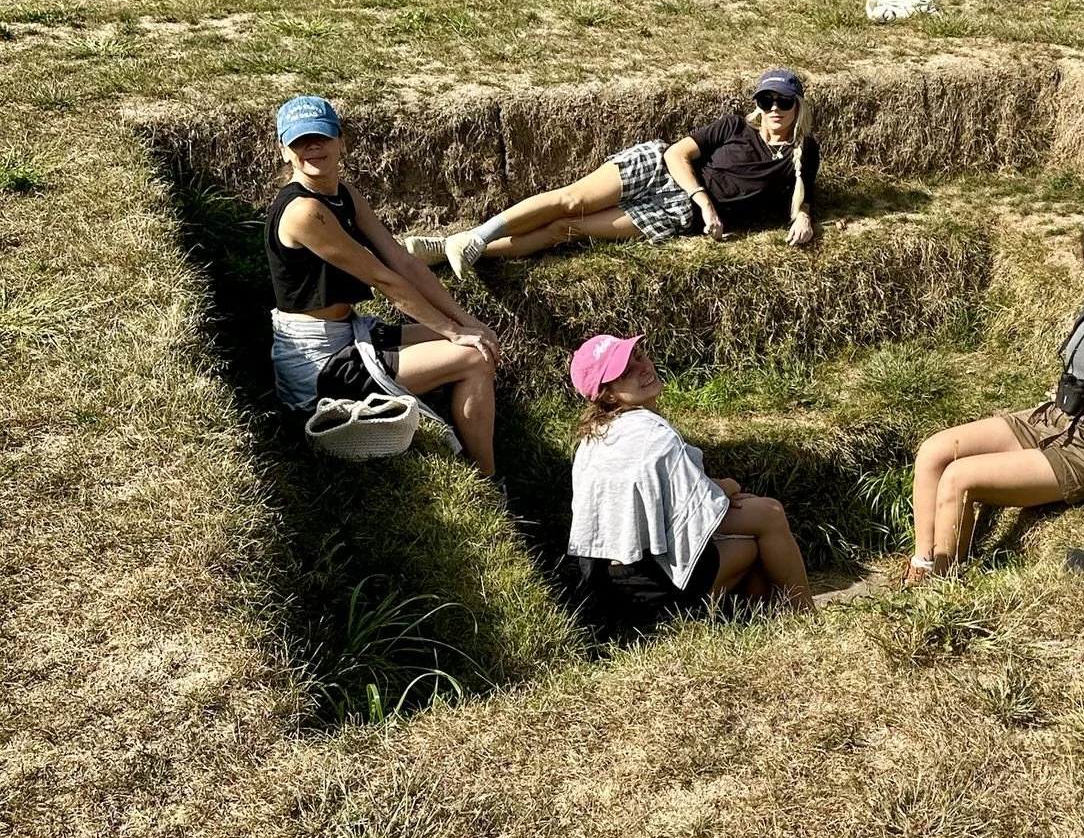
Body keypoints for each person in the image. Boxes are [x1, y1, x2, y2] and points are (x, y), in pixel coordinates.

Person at [907, 198, 1084, 583]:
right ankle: (922, 565)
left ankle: (943, 587)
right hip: (1053, 417)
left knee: (960, 479)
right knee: (934, 452)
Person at [265, 94, 502, 479]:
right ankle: (490, 481)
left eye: (321, 137)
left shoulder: (343, 193)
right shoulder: (303, 211)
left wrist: (465, 322)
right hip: (320, 364)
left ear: (341, 140)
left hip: (346, 335)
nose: (312, 147)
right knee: (474, 356)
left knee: (480, 344)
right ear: (285, 151)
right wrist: (453, 332)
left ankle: (480, 463)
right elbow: (383, 279)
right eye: (299, 141)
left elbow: (403, 261)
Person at [408, 70, 821, 279]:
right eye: (766, 99)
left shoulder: (803, 153)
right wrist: (704, 199)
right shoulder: (735, 126)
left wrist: (803, 215)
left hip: (677, 215)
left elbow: (801, 197)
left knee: (567, 228)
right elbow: (678, 153)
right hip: (662, 169)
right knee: (570, 199)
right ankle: (475, 237)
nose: (773, 108)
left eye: (783, 100)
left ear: (797, 105)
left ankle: (450, 251)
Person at [564, 331, 816, 639]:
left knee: (749, 541)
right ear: (609, 395)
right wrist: (727, 486)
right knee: (769, 514)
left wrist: (714, 493)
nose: (643, 368)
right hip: (652, 587)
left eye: (639, 356)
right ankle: (805, 618)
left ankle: (758, 627)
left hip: (614, 583)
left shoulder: (595, 439)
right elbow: (701, 509)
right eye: (627, 372)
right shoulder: (653, 436)